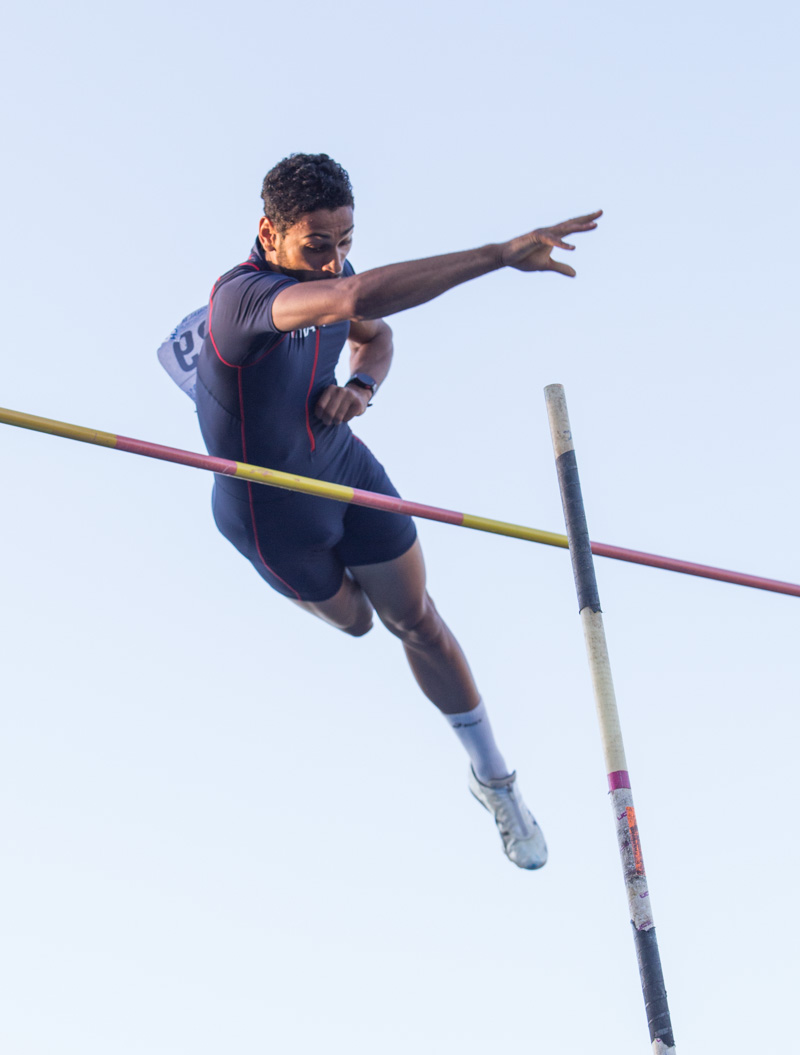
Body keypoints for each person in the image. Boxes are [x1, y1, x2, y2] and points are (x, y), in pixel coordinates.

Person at [194, 152, 601, 870]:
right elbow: (353, 298)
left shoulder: (330, 277)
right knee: (357, 622)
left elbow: (375, 333)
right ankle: (312, 586)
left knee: (417, 619)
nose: (333, 261)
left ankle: (495, 780)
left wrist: (360, 389)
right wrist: (499, 255)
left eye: (345, 242)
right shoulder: (244, 300)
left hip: (341, 465)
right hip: (273, 513)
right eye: (317, 246)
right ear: (269, 233)